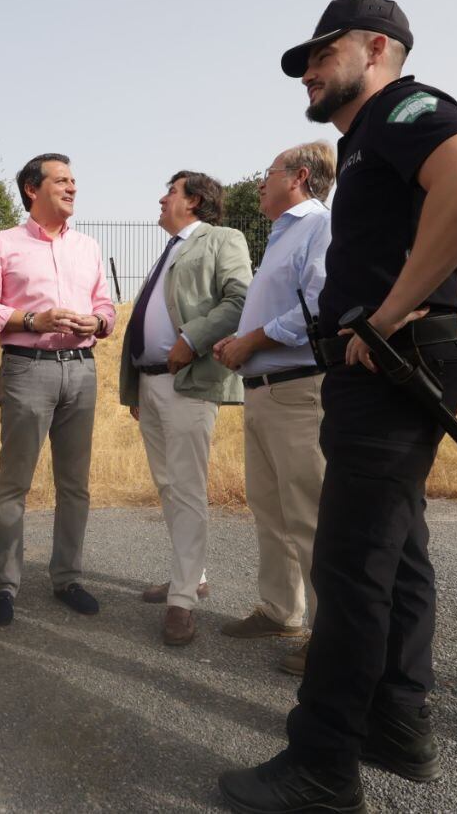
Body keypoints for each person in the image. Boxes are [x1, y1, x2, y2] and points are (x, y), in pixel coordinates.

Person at [217, 0, 457, 813]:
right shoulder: (369, 134)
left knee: (350, 565)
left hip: (391, 358)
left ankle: (323, 765)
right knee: (399, 549)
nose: (307, 70)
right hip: (394, 358)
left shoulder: (402, 109)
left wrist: (385, 311)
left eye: (321, 53)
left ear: (378, 47)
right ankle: (397, 721)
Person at [0, 153, 117, 628]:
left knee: (75, 484)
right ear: (33, 189)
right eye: (61, 181)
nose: (72, 188)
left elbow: (106, 308)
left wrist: (97, 321)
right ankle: (3, 586)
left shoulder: (89, 247)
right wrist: (33, 319)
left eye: (75, 180)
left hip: (81, 369)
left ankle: (68, 578)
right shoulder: (3, 244)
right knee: (15, 482)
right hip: (27, 369)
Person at [213, 142, 334, 676]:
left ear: (300, 177)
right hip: (263, 388)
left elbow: (321, 308)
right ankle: (282, 611)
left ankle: (330, 637)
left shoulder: (320, 226)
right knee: (270, 508)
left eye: (269, 174)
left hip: (298, 390)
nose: (261, 184)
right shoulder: (283, 234)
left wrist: (253, 339)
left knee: (309, 515)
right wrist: (242, 344)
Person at [118, 171, 251, 646]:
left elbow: (241, 300)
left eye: (170, 192)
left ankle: (182, 601)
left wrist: (192, 339)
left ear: (193, 200)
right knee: (169, 486)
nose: (161, 198)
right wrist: (136, 387)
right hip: (151, 384)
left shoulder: (221, 239)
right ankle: (191, 576)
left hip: (188, 380)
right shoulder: (170, 249)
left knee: (188, 489)